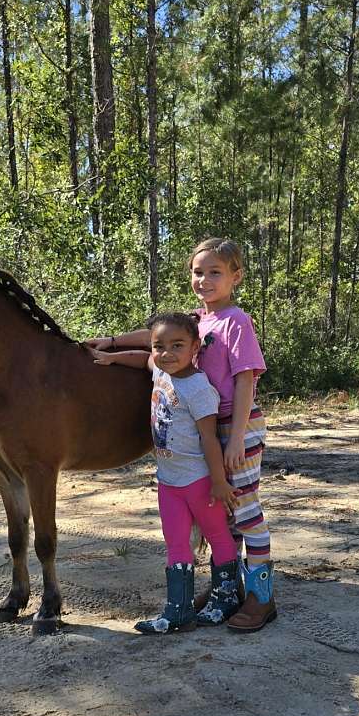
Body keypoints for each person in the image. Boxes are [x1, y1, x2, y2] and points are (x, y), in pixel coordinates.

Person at [87, 237, 276, 633]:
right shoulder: (197, 320)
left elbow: (244, 382)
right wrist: (112, 342)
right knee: (220, 512)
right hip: (203, 425)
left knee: (244, 509)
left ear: (235, 277)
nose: (204, 280)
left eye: (215, 273)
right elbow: (154, 337)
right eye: (198, 272)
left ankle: (262, 596)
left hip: (234, 423)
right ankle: (229, 588)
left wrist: (238, 436)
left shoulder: (236, 321)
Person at [90, 311, 241, 634]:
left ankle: (226, 597)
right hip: (169, 481)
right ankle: (178, 611)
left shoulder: (199, 388)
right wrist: (110, 358)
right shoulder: (159, 369)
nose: (166, 353)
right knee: (175, 542)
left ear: (195, 347)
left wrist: (218, 481)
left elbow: (210, 440)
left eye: (177, 345)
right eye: (160, 345)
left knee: (217, 536)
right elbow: (141, 358)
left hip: (199, 480)